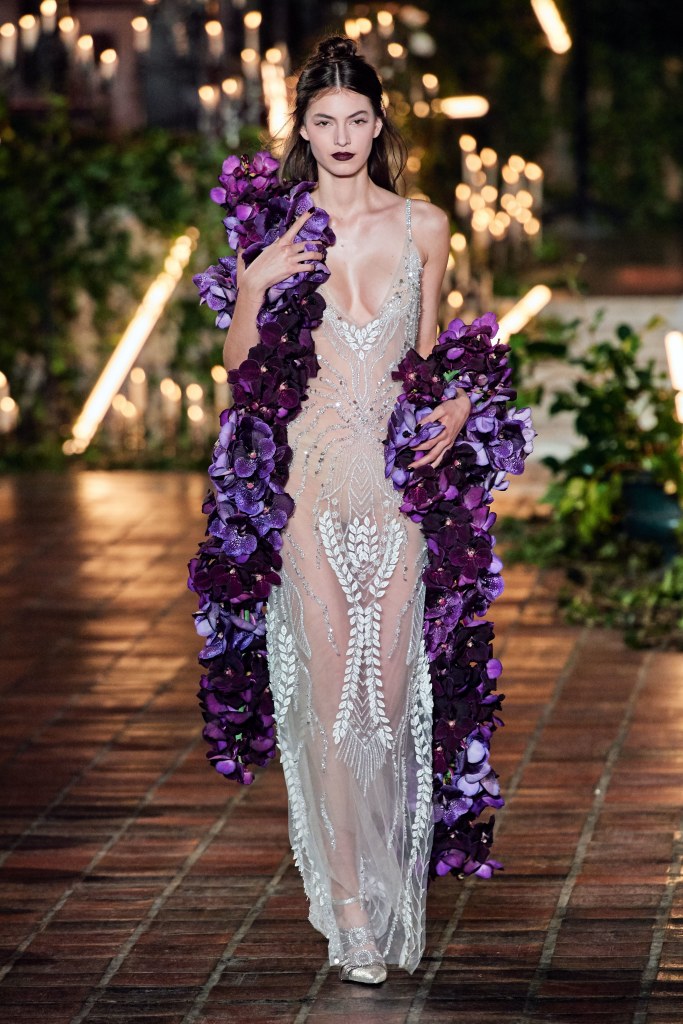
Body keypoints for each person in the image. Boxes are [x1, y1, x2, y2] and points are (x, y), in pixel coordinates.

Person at [219, 35, 472, 984]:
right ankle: (352, 911)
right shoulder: (279, 233)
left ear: (377, 124)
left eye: (356, 119)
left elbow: (430, 351)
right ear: (303, 127)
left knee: (390, 695)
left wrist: (460, 402)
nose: (340, 136)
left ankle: (377, 873)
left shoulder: (425, 225)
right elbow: (241, 373)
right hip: (310, 488)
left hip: (395, 491)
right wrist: (253, 284)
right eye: (322, 121)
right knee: (333, 700)